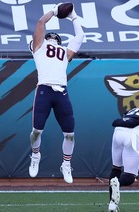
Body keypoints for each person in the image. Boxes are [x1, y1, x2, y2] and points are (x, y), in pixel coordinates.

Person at [28, 3, 84, 184]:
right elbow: (40, 23)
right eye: (48, 36)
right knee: (36, 131)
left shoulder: (64, 53)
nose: (51, 38)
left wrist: (74, 16)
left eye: (54, 37)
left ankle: (66, 164)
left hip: (61, 92)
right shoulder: (38, 47)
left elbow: (80, 36)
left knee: (70, 134)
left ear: (58, 41)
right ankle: (35, 155)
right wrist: (54, 10)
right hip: (44, 89)